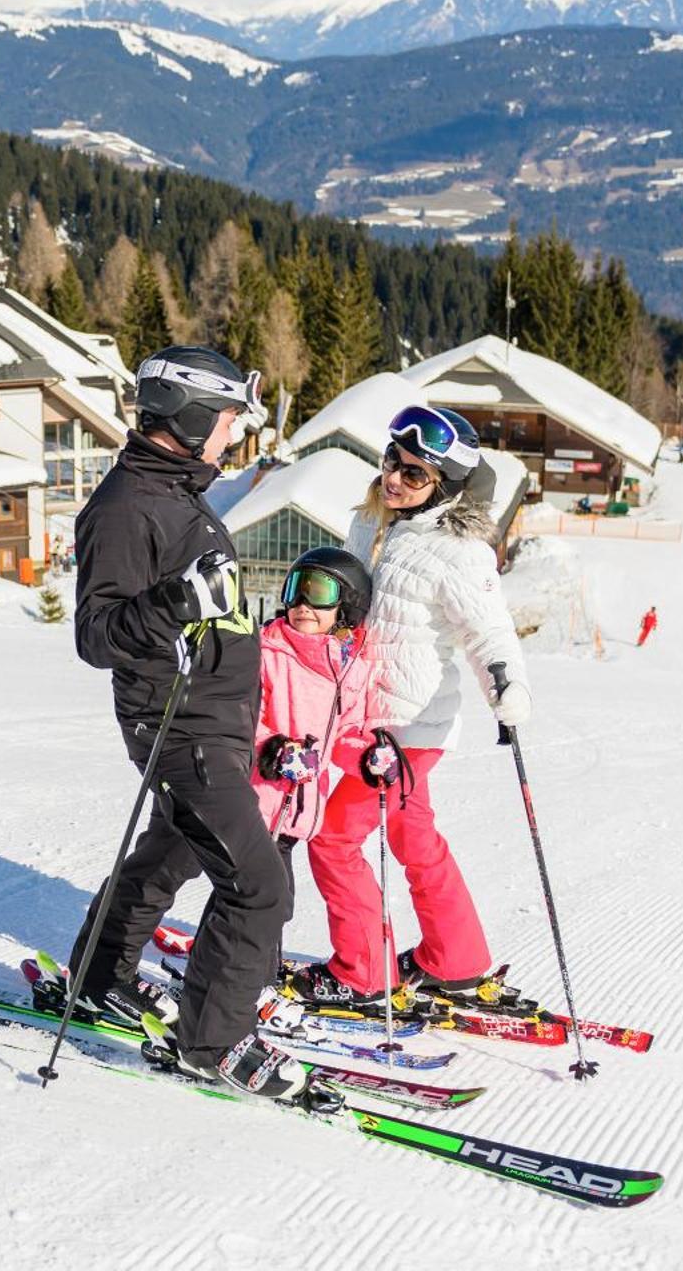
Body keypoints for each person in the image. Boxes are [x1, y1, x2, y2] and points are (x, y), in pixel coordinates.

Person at [65, 344, 314, 1100]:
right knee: (261, 886)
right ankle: (212, 1042)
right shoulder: (125, 507)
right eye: (231, 419)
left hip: (215, 719)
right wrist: (177, 604)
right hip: (181, 727)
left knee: (172, 855)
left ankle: (98, 974)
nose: (236, 435)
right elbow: (95, 635)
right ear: (195, 415)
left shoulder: (174, 489)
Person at [287, 404, 534, 1016]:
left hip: (407, 726)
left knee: (334, 839)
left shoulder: (459, 551)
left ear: (444, 487)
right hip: (359, 717)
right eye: (392, 462)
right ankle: (456, 959)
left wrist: (506, 688)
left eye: (415, 474)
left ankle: (364, 973)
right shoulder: (370, 525)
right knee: (412, 834)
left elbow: (490, 633)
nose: (396, 478)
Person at [248, 548, 376, 968]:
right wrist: (271, 747)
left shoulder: (348, 668)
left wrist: (369, 757)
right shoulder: (267, 652)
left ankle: (254, 970)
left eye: (317, 592)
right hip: (255, 802)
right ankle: (244, 977)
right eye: (295, 590)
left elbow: (347, 737)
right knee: (260, 897)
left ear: (346, 605)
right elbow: (240, 717)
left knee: (275, 900)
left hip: (294, 815)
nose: (302, 604)